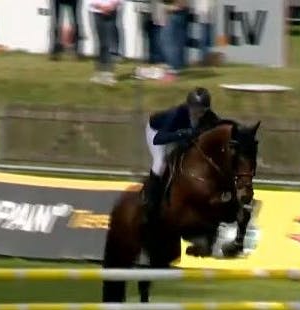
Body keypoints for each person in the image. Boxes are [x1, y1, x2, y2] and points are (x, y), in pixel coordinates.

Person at [141, 87, 218, 227]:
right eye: (194, 109)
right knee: (160, 163)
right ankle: (150, 201)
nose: (198, 113)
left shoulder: (210, 117)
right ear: (189, 106)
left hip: (179, 136)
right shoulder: (177, 114)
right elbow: (159, 138)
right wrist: (182, 134)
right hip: (157, 132)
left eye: (202, 110)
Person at [90, 0, 122, 85]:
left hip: (112, 11)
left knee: (110, 43)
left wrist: (112, 5)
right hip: (97, 10)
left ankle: (109, 73)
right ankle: (99, 72)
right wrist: (99, 5)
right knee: (102, 44)